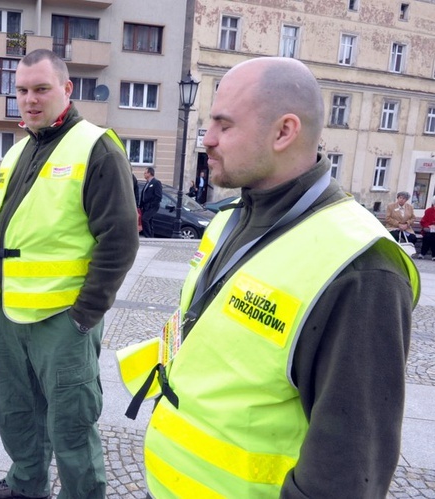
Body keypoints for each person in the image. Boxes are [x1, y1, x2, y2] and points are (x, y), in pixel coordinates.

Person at [117, 57, 419, 497]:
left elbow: (348, 469)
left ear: (284, 132)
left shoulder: (360, 267)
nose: (207, 140)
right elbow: (202, 328)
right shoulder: (231, 220)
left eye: (224, 125)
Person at [0, 49, 139, 499]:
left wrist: (85, 313)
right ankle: (27, 484)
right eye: (23, 90)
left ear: (66, 89)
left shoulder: (96, 146)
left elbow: (120, 240)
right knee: (14, 409)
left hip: (64, 318)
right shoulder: (20, 149)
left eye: (41, 88)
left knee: (70, 421)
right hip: (10, 310)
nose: (30, 99)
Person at [139, 166, 162, 238]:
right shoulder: (147, 183)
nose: (144, 174)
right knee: (149, 221)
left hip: (152, 206)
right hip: (145, 206)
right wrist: (141, 205)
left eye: (145, 173)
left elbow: (158, 196)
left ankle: (148, 236)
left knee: (144, 219)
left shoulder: (156, 183)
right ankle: (151, 237)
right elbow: (144, 195)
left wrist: (152, 204)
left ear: (150, 173)